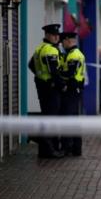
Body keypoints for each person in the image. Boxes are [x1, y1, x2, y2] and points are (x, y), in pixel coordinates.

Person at [28, 23, 64, 159]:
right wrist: (62, 85)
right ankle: (48, 150)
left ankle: (45, 149)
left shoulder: (39, 48)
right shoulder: (51, 50)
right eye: (54, 35)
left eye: (57, 35)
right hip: (51, 88)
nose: (56, 37)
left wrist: (40, 77)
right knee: (50, 118)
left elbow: (31, 65)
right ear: (47, 35)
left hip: (42, 87)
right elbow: (54, 71)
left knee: (46, 116)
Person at [60, 32, 86, 156]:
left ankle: (68, 148)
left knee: (68, 119)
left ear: (67, 40)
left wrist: (58, 77)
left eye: (62, 41)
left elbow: (69, 74)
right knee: (74, 119)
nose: (61, 44)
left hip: (71, 91)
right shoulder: (75, 54)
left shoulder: (73, 55)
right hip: (76, 90)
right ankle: (76, 148)